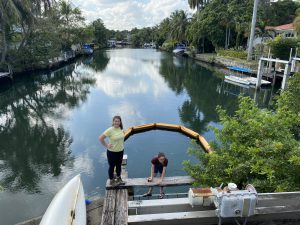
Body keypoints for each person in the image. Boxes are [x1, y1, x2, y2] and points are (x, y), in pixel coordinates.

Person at [99, 116, 125, 187]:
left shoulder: (121, 129)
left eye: (118, 121)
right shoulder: (110, 130)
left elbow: (121, 138)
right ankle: (111, 180)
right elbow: (101, 138)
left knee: (119, 165)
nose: (117, 122)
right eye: (115, 121)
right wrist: (106, 145)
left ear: (120, 122)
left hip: (120, 151)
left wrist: (120, 145)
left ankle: (118, 178)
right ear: (113, 122)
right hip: (112, 152)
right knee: (112, 166)